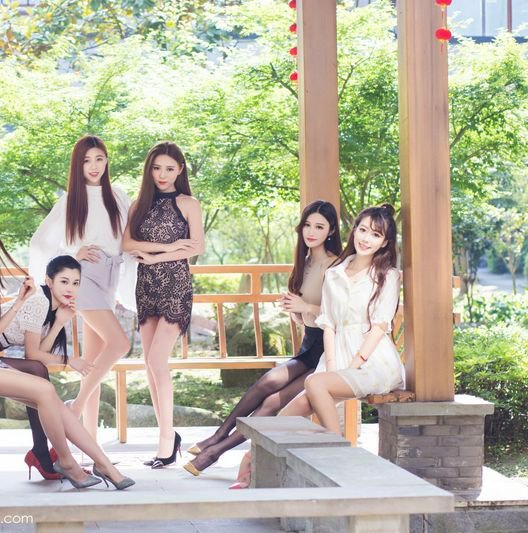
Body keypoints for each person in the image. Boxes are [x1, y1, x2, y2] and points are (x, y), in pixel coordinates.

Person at [0, 207, 134, 489]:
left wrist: (18, 302)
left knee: (50, 399)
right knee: (44, 389)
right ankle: (66, 463)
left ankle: (104, 464)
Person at [182, 200, 341, 478]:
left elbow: (339, 317)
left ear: (331, 231)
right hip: (309, 345)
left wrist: (305, 306)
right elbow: (306, 318)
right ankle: (217, 437)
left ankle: (214, 452)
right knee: (266, 382)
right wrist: (295, 310)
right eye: (307, 225)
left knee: (272, 402)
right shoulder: (305, 263)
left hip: (328, 352)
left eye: (319, 226)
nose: (311, 231)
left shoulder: (336, 266)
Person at [29, 135, 134, 444]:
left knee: (93, 362)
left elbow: (131, 235)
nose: (94, 166)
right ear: (78, 165)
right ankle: (74, 407)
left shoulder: (118, 195)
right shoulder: (71, 199)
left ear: (107, 161)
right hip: (84, 276)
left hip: (109, 277)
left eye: (99, 159)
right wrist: (73, 255)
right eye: (87, 160)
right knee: (119, 343)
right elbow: (41, 242)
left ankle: (90, 445)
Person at [277, 204, 404, 436]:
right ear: (354, 230)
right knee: (298, 405)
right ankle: (250, 455)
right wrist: (333, 368)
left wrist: (351, 367)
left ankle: (335, 445)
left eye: (375, 235)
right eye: (362, 230)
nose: (366, 239)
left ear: (385, 242)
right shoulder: (334, 273)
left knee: (314, 383)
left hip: (373, 361)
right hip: (336, 354)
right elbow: (329, 325)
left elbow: (379, 328)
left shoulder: (388, 275)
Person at [123, 141, 205, 469]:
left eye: (170, 169)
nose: (162, 174)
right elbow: (127, 243)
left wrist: (157, 255)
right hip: (146, 286)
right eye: (157, 168)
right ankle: (168, 436)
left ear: (180, 170)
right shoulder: (139, 204)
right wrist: (168, 247)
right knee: (149, 364)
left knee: (157, 360)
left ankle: (166, 440)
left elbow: (196, 246)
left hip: (175, 287)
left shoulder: (189, 203)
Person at [0, 255, 94, 480]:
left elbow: (39, 353)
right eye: (64, 281)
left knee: (37, 371)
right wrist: (69, 360)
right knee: (37, 372)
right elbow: (33, 355)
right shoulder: (39, 300)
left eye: (75, 283)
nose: (70, 288)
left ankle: (42, 451)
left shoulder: (53, 307)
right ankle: (44, 452)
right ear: (49, 281)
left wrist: (59, 322)